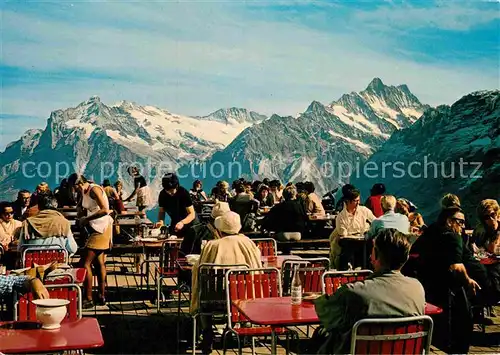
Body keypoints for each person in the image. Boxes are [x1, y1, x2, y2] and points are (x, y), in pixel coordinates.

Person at [314, 228, 425, 354]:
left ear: (375, 255)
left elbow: (325, 312)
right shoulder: (417, 288)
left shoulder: (354, 291)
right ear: (406, 258)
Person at [190, 211, 262, 353]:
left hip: (212, 300)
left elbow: (198, 270)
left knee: (204, 300)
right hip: (241, 300)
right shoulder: (248, 243)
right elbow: (257, 267)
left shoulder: (212, 245)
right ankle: (231, 329)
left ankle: (207, 331)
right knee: (238, 290)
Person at [68, 173, 113, 308]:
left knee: (85, 263)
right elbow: (83, 208)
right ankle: (101, 295)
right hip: (96, 227)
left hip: (101, 228)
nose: (74, 190)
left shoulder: (94, 190)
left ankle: (88, 298)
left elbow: (106, 209)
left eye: (74, 188)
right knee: (99, 262)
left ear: (79, 184)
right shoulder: (85, 191)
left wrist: (86, 219)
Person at [329, 188, 376, 269]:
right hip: (349, 241)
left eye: (359, 200)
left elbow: (375, 221)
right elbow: (343, 233)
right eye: (355, 201)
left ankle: (364, 268)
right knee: (347, 249)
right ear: (348, 201)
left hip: (363, 239)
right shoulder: (341, 217)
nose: (358, 203)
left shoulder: (364, 210)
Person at [155, 173, 198, 255]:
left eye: (172, 190)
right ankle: (171, 265)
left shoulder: (183, 193)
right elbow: (161, 211)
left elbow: (192, 214)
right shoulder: (162, 194)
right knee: (170, 248)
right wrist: (160, 221)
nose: (171, 193)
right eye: (168, 191)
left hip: (190, 223)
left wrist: (182, 222)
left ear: (177, 186)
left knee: (187, 252)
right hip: (176, 222)